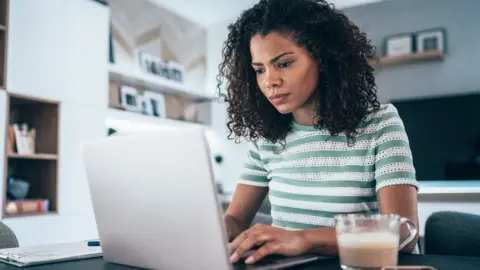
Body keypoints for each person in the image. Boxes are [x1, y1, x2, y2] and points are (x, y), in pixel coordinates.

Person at [216, 0, 419, 265]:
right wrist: (212, 230)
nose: (270, 81)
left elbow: (404, 233)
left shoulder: (380, 124)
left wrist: (302, 239)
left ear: (323, 59)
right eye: (259, 70)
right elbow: (235, 219)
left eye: (285, 64)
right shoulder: (266, 140)